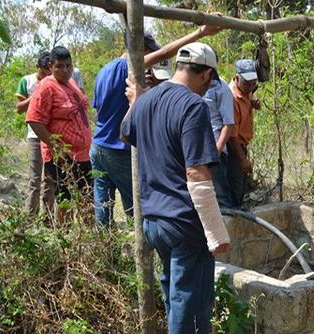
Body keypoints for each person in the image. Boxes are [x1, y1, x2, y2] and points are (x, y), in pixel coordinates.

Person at [121, 42, 230, 334]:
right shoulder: (193, 106)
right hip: (184, 222)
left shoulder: (147, 100)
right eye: (209, 82)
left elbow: (127, 131)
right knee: (190, 297)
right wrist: (216, 232)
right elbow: (198, 174)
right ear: (206, 74)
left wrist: (138, 100)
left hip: (153, 220)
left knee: (173, 291)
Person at [91, 27, 221, 228]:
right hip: (119, 148)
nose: (150, 61)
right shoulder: (128, 67)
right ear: (141, 49)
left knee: (102, 207)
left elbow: (99, 108)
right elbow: (165, 53)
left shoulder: (103, 72)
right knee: (139, 210)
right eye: (149, 52)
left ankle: (106, 253)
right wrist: (200, 33)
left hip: (98, 146)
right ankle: (144, 251)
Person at [26, 46, 93, 223]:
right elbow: (34, 119)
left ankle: (90, 241)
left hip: (83, 155)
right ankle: (65, 243)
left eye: (68, 66)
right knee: (66, 201)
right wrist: (56, 147)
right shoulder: (46, 87)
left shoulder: (71, 83)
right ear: (51, 66)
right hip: (61, 157)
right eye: (60, 66)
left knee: (88, 198)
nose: (65, 70)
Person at [15, 51, 55, 218]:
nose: (47, 76)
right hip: (34, 136)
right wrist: (36, 95)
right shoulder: (26, 81)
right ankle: (30, 217)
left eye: (49, 73)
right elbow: (18, 108)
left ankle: (48, 218)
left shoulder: (55, 82)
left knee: (51, 179)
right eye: (44, 72)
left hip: (52, 135)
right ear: (37, 68)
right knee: (35, 179)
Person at [227, 59, 261, 207]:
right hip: (234, 148)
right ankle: (233, 216)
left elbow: (249, 96)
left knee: (241, 185)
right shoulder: (232, 98)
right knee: (235, 186)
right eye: (247, 83)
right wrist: (242, 159)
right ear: (237, 77)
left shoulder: (247, 89)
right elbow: (231, 134)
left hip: (242, 145)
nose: (251, 87)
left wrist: (253, 103)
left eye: (253, 83)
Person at [203, 72, 236, 208]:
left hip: (214, 149)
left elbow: (228, 123)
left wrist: (217, 149)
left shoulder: (221, 88)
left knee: (220, 196)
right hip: (195, 150)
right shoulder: (189, 85)